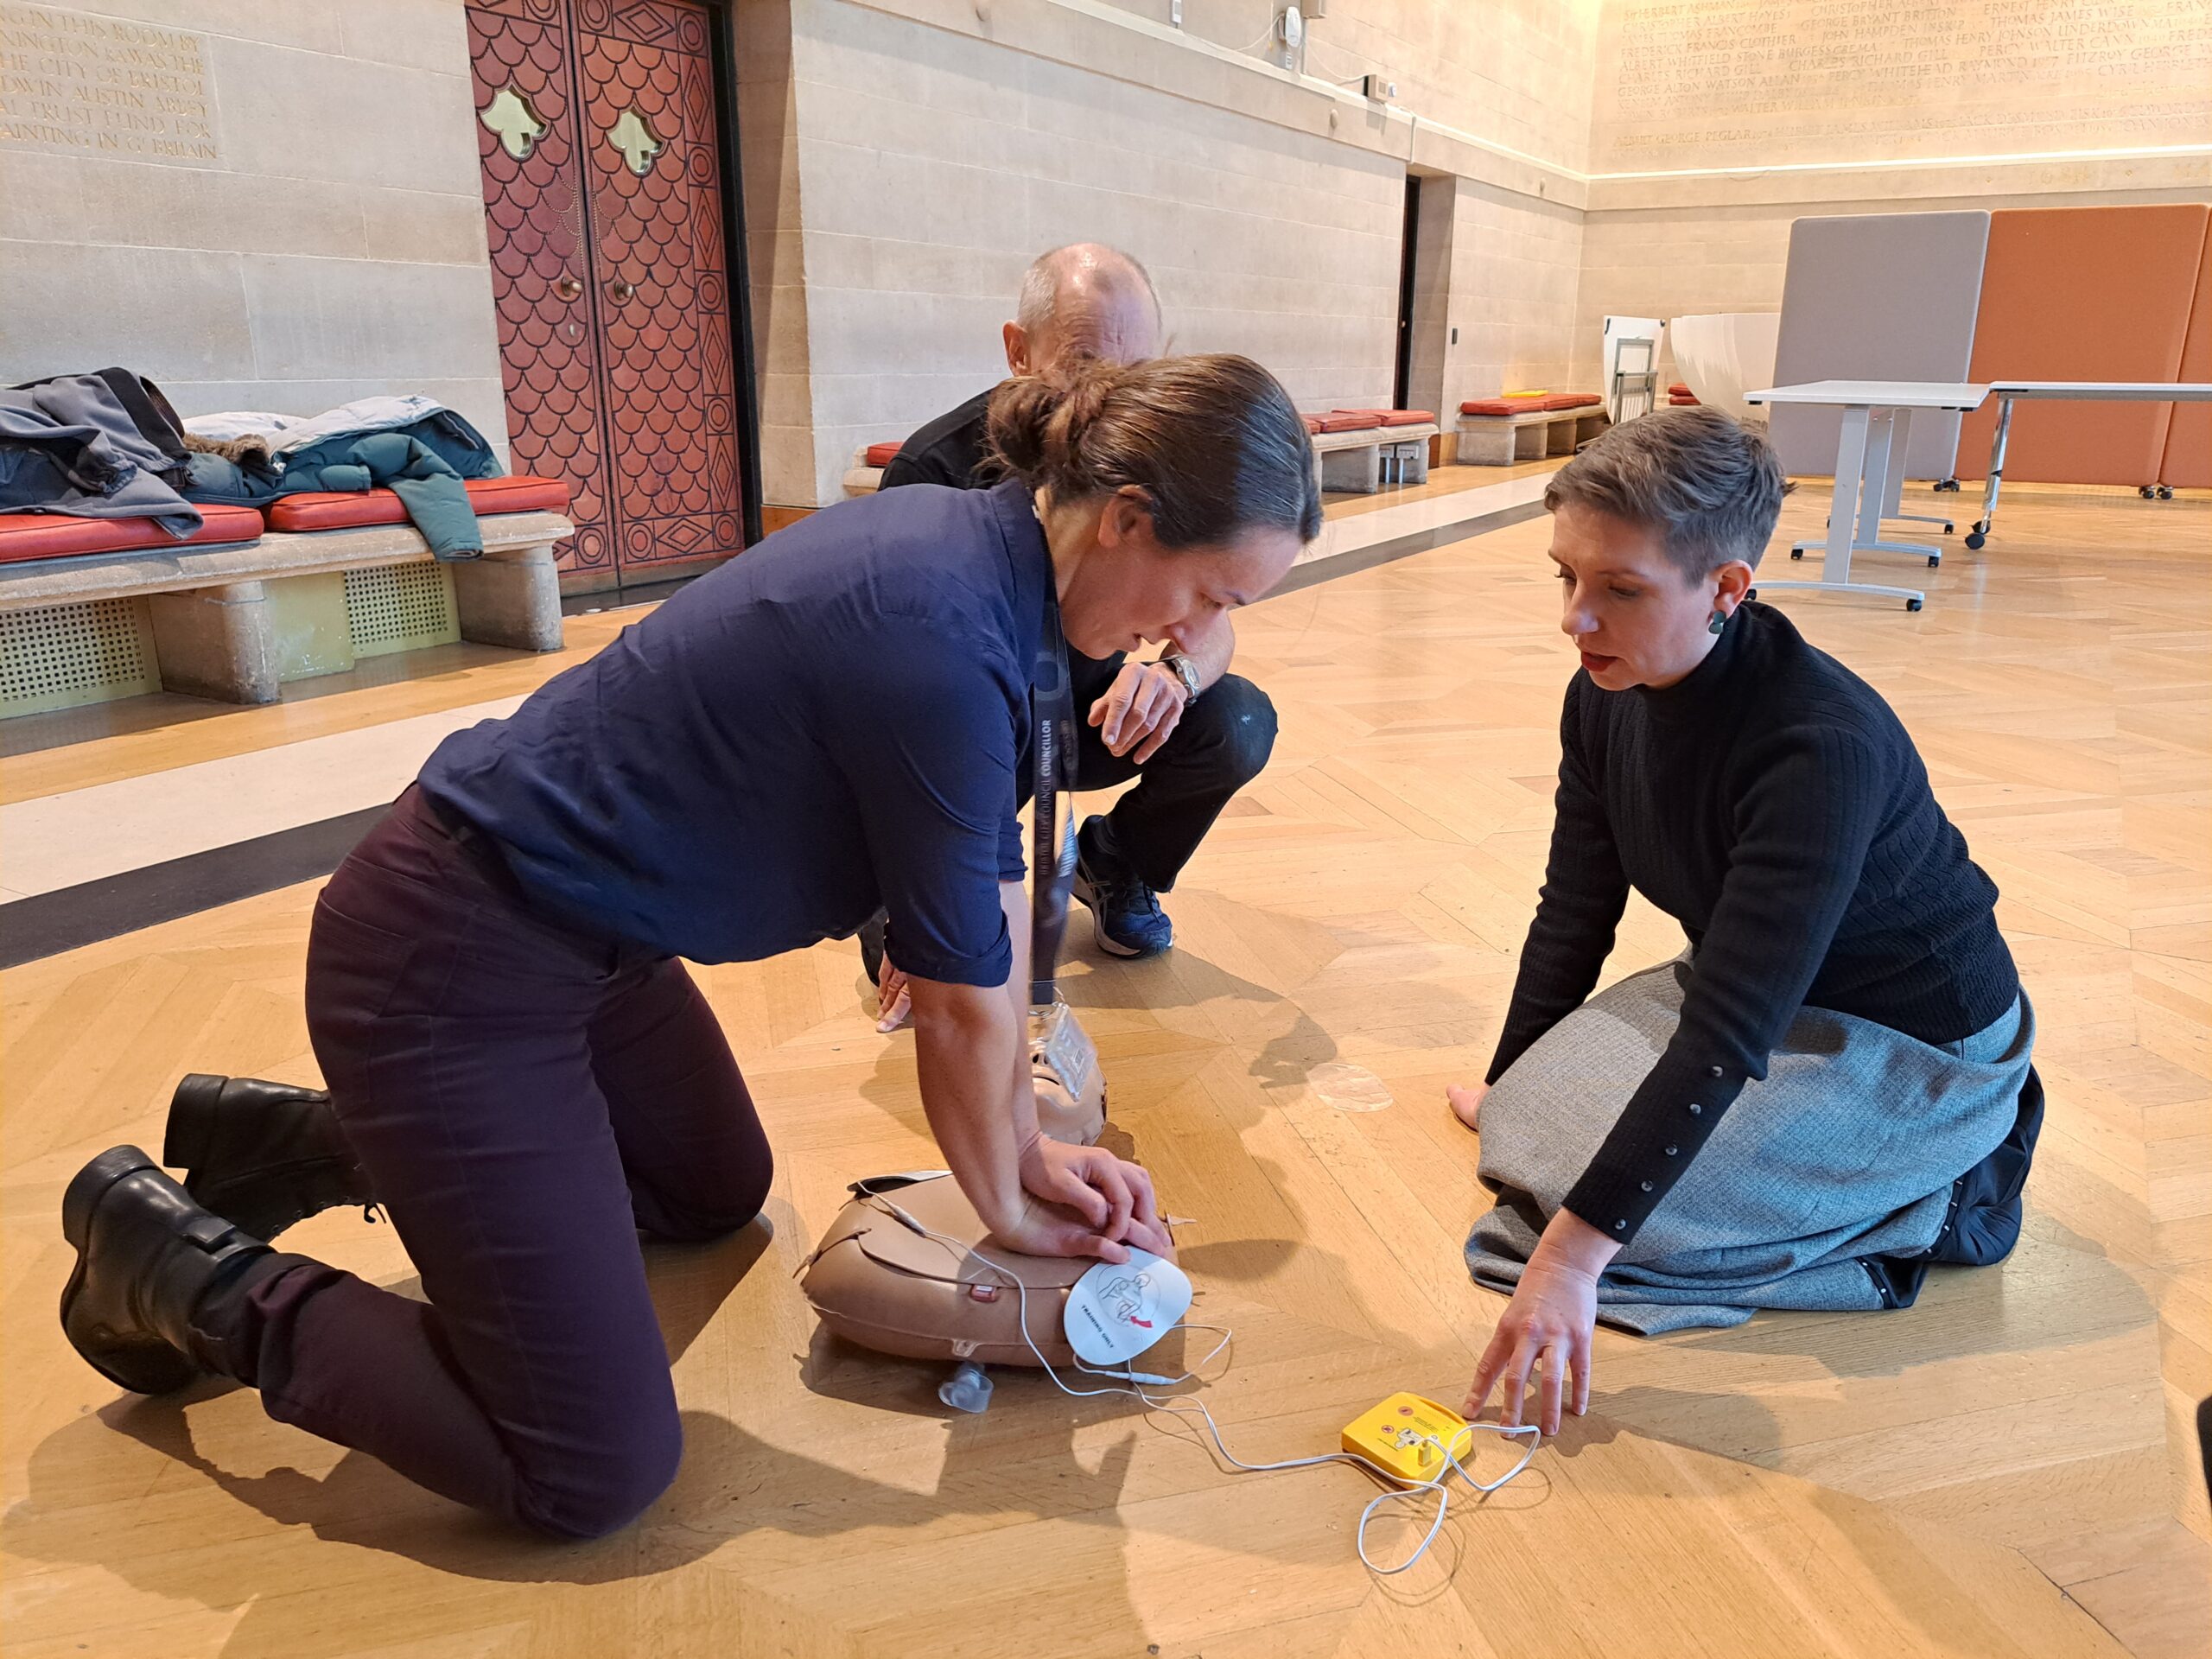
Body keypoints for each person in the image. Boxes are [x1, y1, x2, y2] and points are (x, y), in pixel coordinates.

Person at [56, 353, 1321, 1540]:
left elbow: (983, 956)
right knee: (585, 1465)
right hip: (451, 967)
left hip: (597, 949)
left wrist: (1026, 1154)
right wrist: (1013, 1196)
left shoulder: (996, 564)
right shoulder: (943, 637)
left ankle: (301, 1141)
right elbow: (962, 1001)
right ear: (1130, 518)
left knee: (709, 1196)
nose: (1190, 633)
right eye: (1211, 596)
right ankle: (178, 1269)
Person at [1450, 408, 2040, 1440]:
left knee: (1606, 1234)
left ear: (1727, 587)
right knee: (1525, 1132)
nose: (1574, 619)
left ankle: (1946, 1196)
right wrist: (1513, 1078)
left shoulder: (1817, 746)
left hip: (1914, 1044)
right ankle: (1772, 1182)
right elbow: (1574, 907)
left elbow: (1726, 1032)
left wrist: (1573, 1260)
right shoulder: (1604, 689)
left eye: (1619, 590)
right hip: (1757, 986)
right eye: (1566, 578)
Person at [872, 244, 1279, 999]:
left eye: (1136, 373)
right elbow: (906, 702)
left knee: (1238, 720)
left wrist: (1175, 676)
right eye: (1086, 366)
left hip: (1087, 719)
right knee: (939, 966)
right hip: (962, 736)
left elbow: (1212, 619)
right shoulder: (934, 471)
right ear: (1018, 352)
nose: (1114, 398)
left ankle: (1115, 860)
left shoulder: (1161, 455)